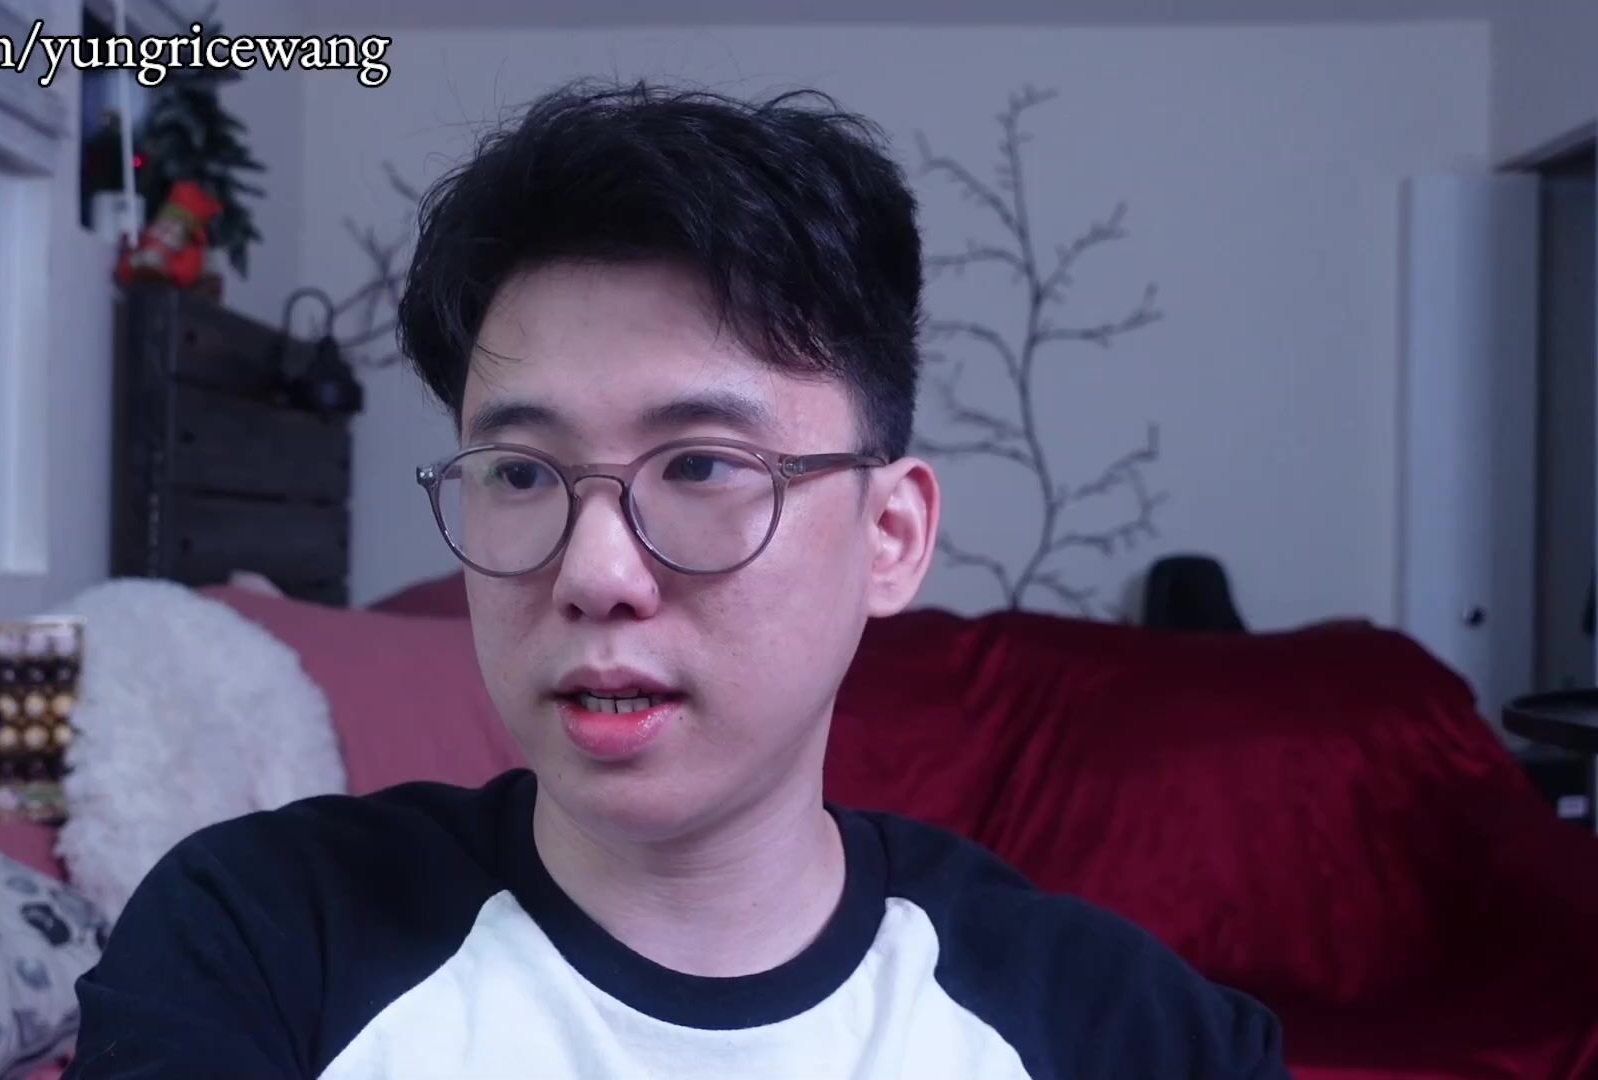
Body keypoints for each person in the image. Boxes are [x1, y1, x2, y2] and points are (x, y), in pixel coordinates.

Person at [66, 80, 1290, 1080]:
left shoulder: (1124, 1033)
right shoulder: (261, 941)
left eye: (702, 465)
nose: (596, 573)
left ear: (891, 535)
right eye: (521, 473)